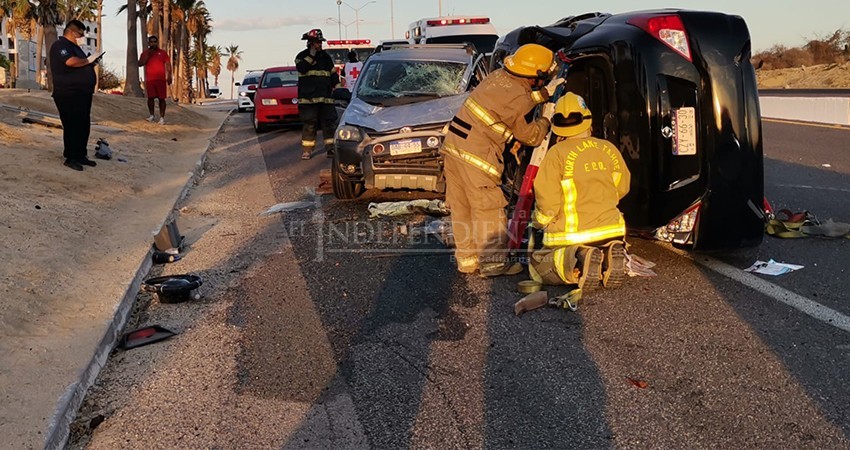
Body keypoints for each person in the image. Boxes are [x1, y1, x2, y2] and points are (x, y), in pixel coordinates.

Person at [440, 43, 564, 277]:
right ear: (536, 75)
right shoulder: (518, 98)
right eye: (545, 76)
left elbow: (520, 98)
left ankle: (467, 260)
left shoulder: (499, 76)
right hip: (477, 155)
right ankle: (494, 264)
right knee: (488, 208)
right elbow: (531, 136)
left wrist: (545, 93)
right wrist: (547, 120)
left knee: (462, 207)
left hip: (454, 148)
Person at [530, 92, 631, 290]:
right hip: (613, 231)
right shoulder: (608, 148)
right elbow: (622, 187)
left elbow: (548, 201)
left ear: (558, 126)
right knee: (602, 245)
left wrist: (539, 222)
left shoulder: (556, 154)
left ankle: (580, 257)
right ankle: (609, 251)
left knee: (539, 266)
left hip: (573, 236)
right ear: (588, 120)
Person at [49, 20, 99, 172]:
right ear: (71, 32)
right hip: (68, 92)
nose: (82, 37)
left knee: (83, 124)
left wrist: (91, 62)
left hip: (83, 93)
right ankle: (70, 156)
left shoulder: (76, 48)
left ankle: (81, 154)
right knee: (72, 125)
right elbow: (70, 62)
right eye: (80, 34)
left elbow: (81, 62)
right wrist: (87, 61)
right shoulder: (60, 45)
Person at [295, 28, 339, 160]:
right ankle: (307, 150)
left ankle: (330, 149)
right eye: (317, 42)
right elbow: (302, 68)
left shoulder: (325, 57)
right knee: (309, 125)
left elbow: (333, 74)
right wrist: (311, 55)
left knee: (329, 124)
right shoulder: (301, 57)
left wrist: (338, 88)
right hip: (308, 99)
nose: (320, 45)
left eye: (320, 42)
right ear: (310, 43)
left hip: (326, 98)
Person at [138, 35, 172, 125]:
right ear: (149, 43)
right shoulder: (145, 53)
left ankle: (162, 118)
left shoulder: (163, 53)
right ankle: (152, 115)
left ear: (157, 42)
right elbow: (140, 63)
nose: (153, 43)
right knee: (150, 98)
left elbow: (168, 64)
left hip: (160, 79)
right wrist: (148, 55)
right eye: (151, 42)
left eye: (154, 42)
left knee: (162, 99)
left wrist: (169, 76)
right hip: (150, 80)